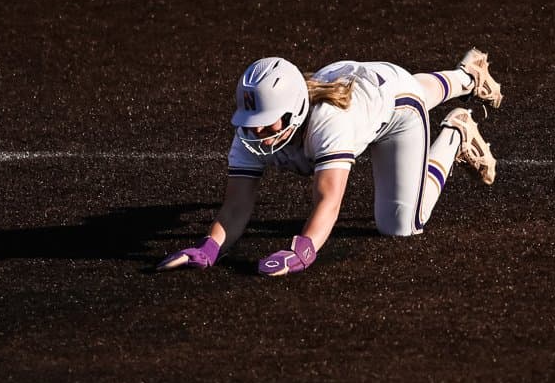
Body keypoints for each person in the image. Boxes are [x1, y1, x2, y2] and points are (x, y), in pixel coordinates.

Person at [156, 49, 502, 277]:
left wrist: (303, 249)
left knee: (400, 225)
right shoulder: (250, 129)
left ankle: (456, 132)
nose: (255, 130)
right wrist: (210, 247)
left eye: (267, 120)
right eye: (251, 120)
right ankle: (467, 77)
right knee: (403, 86)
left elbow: (329, 200)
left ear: (295, 110)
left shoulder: (328, 122)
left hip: (397, 113)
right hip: (374, 87)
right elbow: (236, 205)